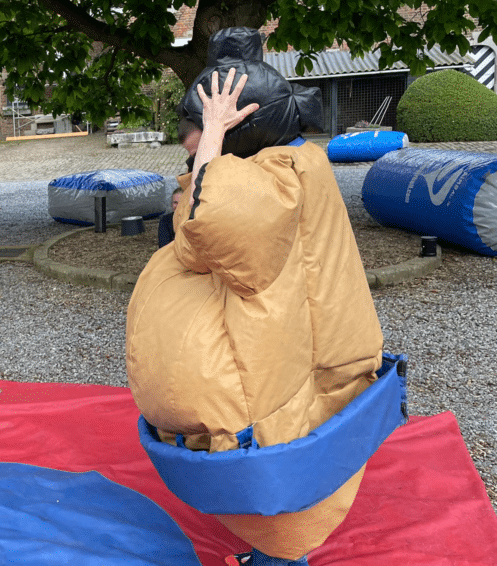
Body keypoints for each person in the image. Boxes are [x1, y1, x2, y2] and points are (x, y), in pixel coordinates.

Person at [126, 28, 393, 566]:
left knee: (281, 445)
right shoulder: (289, 163)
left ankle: (280, 557)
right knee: (292, 438)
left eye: (194, 130)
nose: (186, 140)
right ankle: (279, 547)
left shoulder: (278, 180)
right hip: (297, 339)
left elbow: (211, 220)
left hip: (283, 351)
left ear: (243, 125)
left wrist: (213, 142)